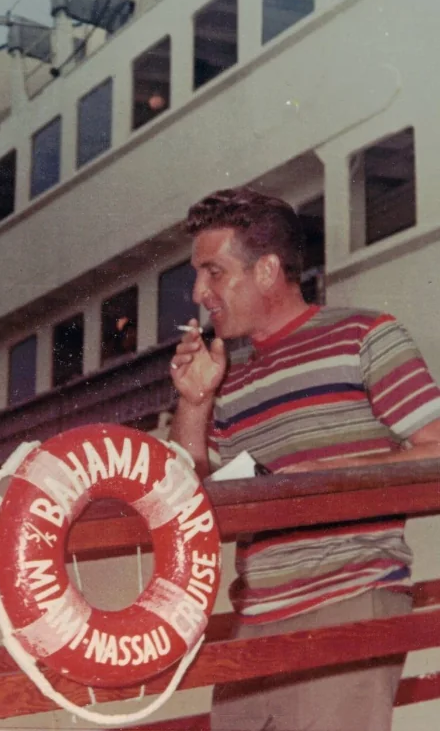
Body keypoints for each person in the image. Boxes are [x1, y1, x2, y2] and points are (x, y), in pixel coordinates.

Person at [168, 187, 440, 731]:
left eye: (214, 272)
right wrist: (195, 402)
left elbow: (437, 451)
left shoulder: (365, 335)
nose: (200, 292)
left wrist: (324, 480)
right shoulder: (231, 377)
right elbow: (195, 493)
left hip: (348, 598)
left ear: (267, 270)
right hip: (256, 618)